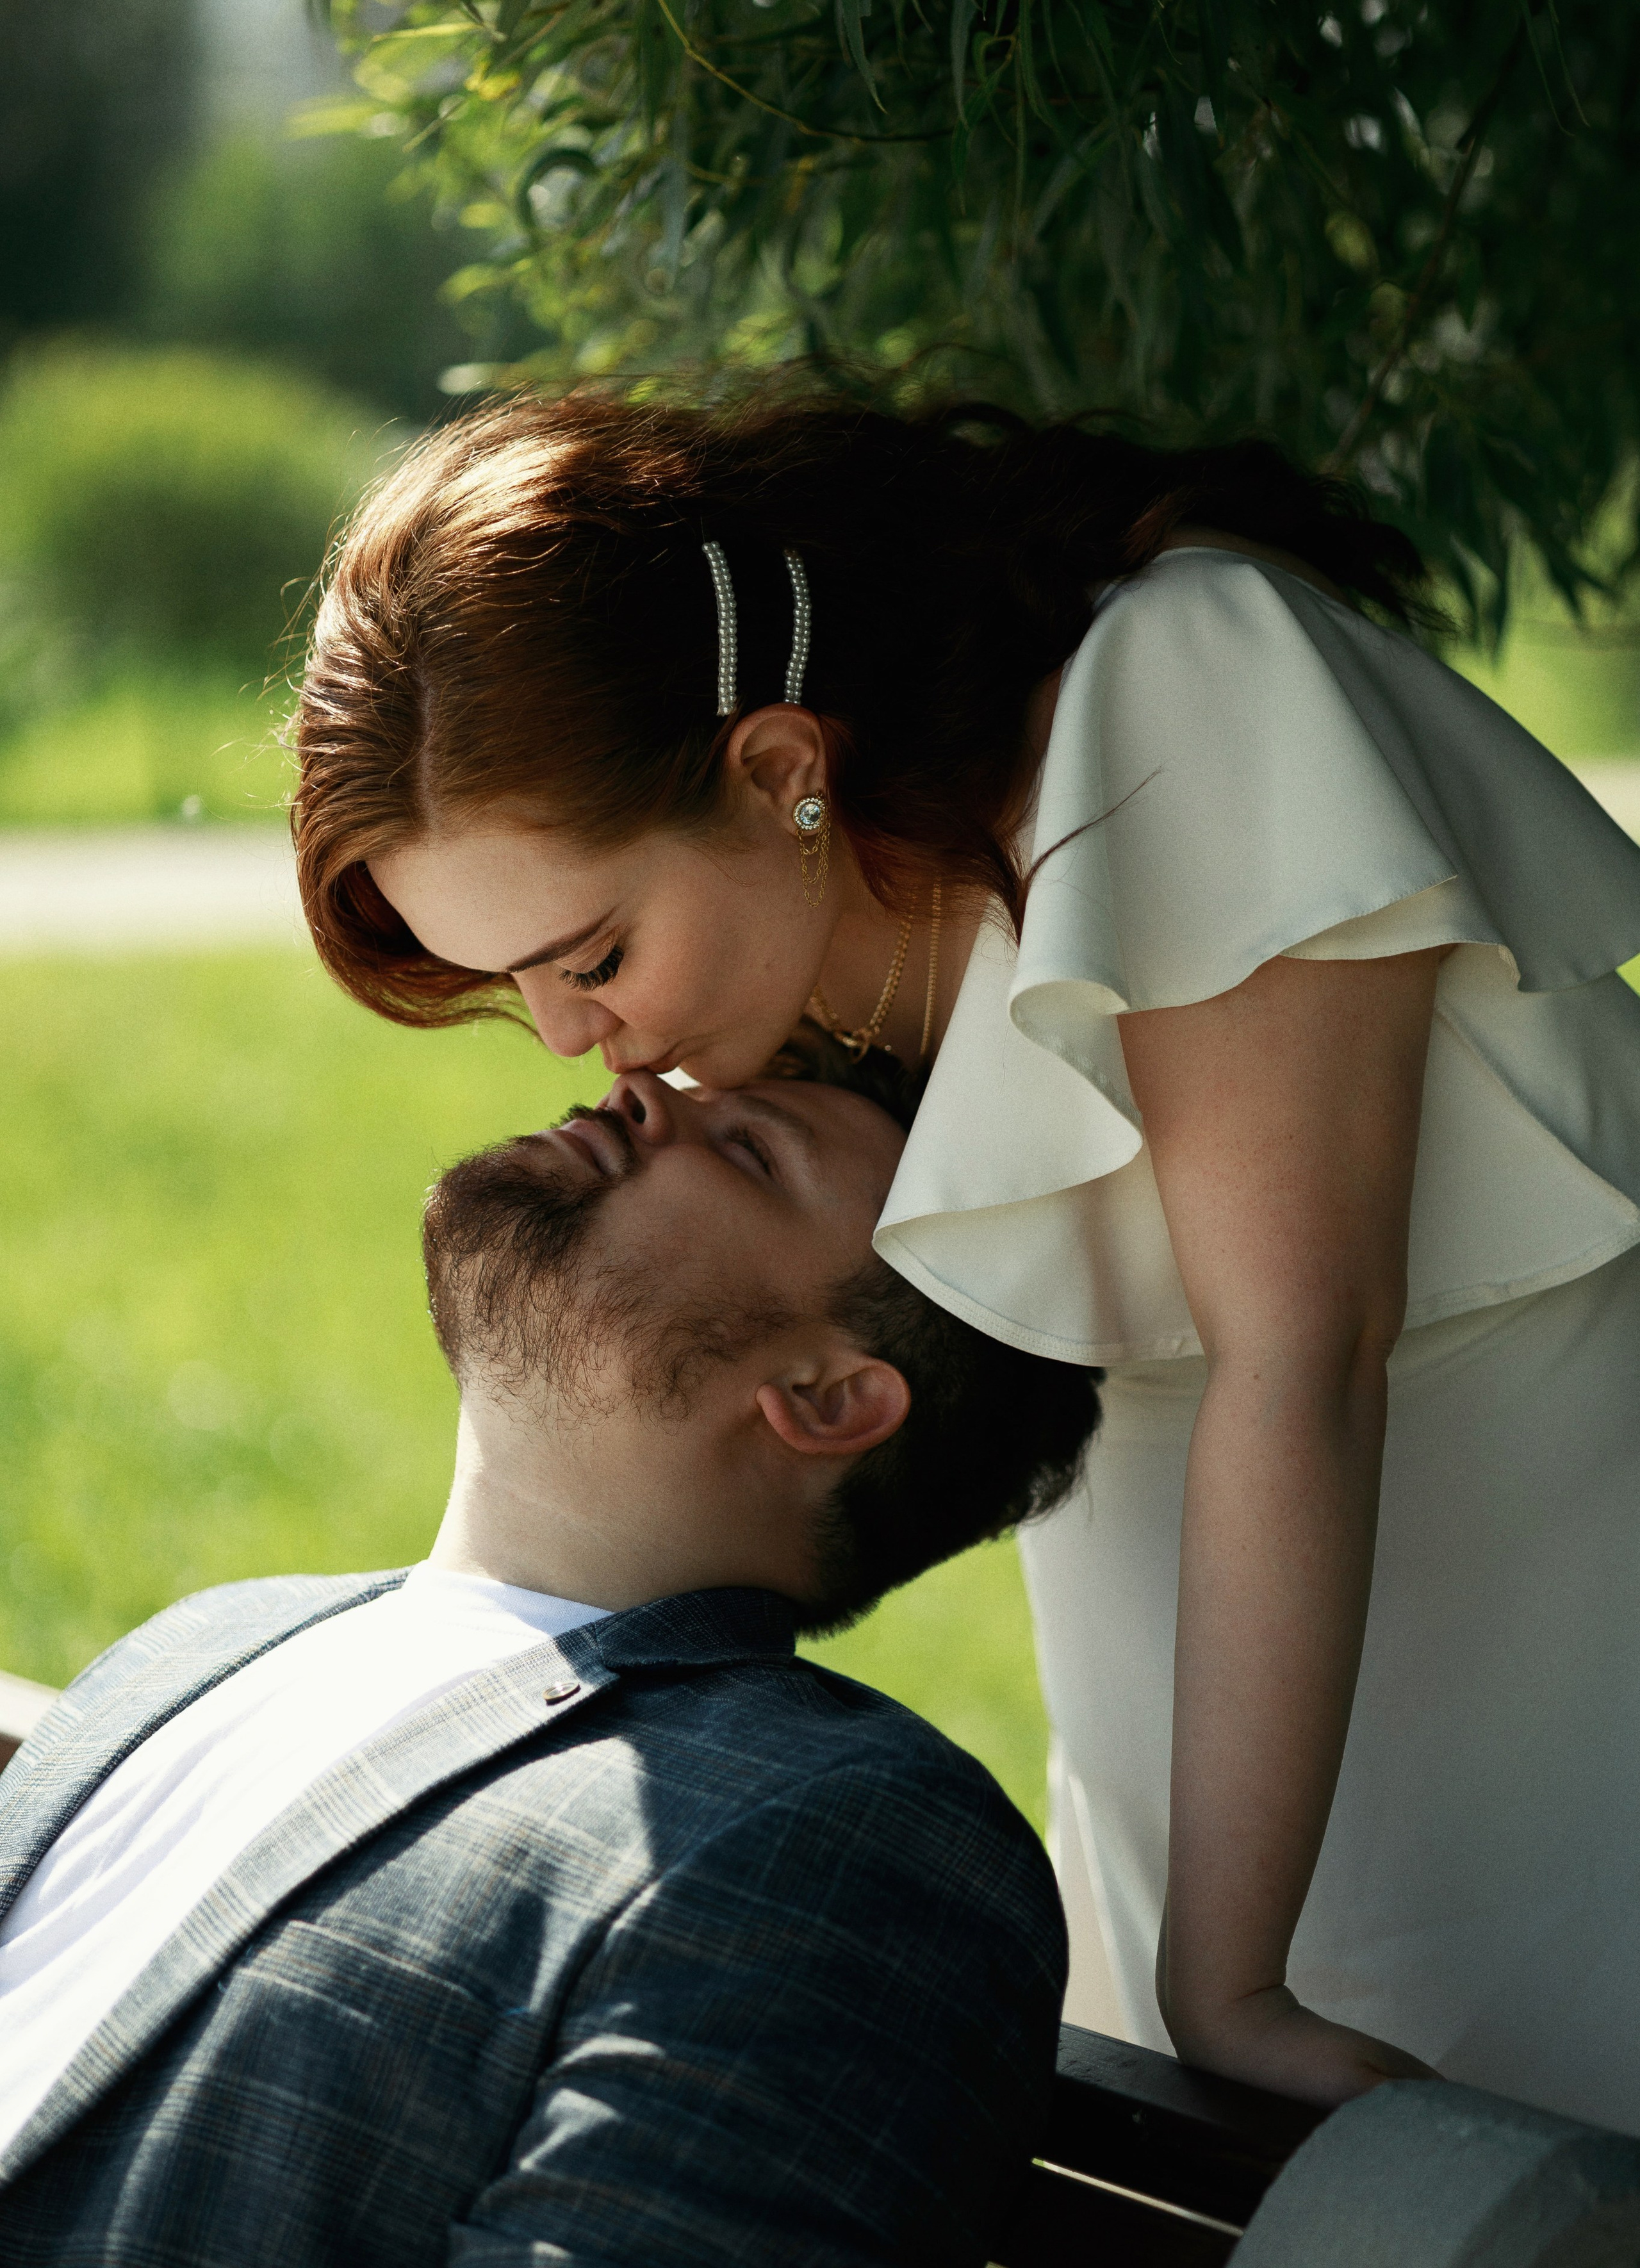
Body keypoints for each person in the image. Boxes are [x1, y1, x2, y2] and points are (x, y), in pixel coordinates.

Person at [290, 388, 1640, 2132]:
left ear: (780, 769)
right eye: (510, 983)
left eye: (595, 951)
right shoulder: (791, 971)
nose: (566, 1039)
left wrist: (1229, 1976)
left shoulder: (1180, 688)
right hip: (1195, 1680)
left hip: (1541, 1588)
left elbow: (1302, 1351)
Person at [0, 1049, 1097, 2265]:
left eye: (748, 1150)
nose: (638, 1086)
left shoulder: (838, 1837)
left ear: (826, 1397)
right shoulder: (202, 1640)